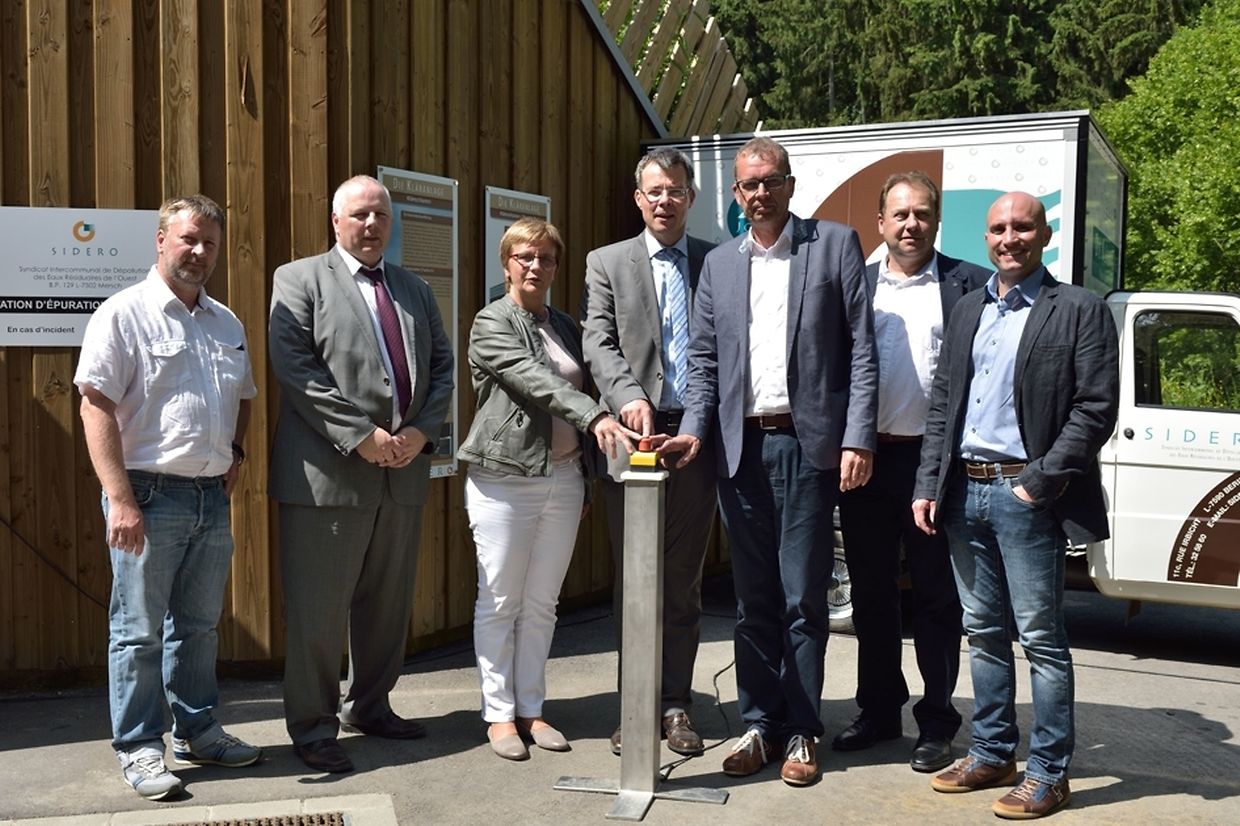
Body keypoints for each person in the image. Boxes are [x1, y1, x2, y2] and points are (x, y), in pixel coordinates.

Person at [657, 136, 878, 786]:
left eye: (770, 181)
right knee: (753, 600)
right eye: (749, 184)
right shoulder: (720, 265)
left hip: (808, 449)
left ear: (789, 184)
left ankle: (803, 731)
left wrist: (858, 438)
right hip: (740, 451)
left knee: (803, 597)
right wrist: (694, 433)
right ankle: (759, 725)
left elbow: (862, 351)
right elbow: (703, 363)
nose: (760, 193)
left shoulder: (833, 245)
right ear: (736, 193)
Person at [913, 192, 1119, 819]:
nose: (1010, 238)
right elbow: (944, 401)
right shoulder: (969, 308)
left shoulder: (1078, 308)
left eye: (1022, 227)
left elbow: (1095, 409)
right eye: (999, 228)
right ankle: (992, 753)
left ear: (1044, 234)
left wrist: (1039, 481)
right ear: (986, 238)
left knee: (1041, 639)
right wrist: (928, 482)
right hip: (963, 491)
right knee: (981, 632)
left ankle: (1049, 773)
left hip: (1025, 496)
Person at [75, 194, 261, 800]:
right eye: (188, 239)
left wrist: (236, 456)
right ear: (161, 241)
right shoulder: (123, 313)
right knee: (138, 632)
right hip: (148, 496)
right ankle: (138, 747)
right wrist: (121, 499)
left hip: (211, 497)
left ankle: (198, 731)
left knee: (200, 627)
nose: (199, 251)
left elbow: (243, 396)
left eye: (210, 243)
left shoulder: (225, 322)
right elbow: (95, 406)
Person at [269, 174, 454, 774]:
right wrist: (361, 437)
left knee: (387, 609)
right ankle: (314, 727)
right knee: (319, 614)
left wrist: (420, 433)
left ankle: (370, 706)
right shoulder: (298, 280)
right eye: (359, 215)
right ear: (336, 221)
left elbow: (443, 367)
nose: (371, 224)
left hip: (402, 475)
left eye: (380, 215)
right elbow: (297, 370)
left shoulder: (413, 288)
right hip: (329, 478)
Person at [459, 217, 638, 761]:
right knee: (500, 600)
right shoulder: (491, 321)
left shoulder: (564, 324)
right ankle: (499, 715)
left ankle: (532, 709)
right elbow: (532, 380)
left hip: (563, 476)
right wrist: (595, 417)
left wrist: (588, 472)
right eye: (525, 257)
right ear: (506, 264)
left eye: (547, 258)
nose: (536, 266)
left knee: (541, 603)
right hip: (504, 478)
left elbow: (596, 378)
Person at [833, 172, 987, 772]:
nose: (911, 224)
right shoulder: (856, 285)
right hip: (866, 459)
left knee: (935, 599)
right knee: (871, 596)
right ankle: (877, 711)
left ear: (937, 220)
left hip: (936, 464)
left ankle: (937, 721)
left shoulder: (969, 284)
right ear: (880, 223)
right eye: (899, 214)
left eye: (922, 213)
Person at [581, 147, 717, 757]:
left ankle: (676, 705)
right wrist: (628, 396)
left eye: (675, 190)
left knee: (682, 582)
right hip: (632, 437)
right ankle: (634, 707)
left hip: (693, 438)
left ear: (691, 198)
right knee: (634, 581)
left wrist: (699, 422)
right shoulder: (607, 262)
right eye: (654, 191)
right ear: (639, 200)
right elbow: (598, 342)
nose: (665, 201)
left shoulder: (716, 262)